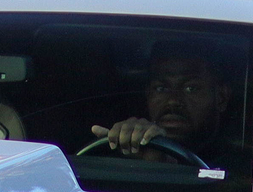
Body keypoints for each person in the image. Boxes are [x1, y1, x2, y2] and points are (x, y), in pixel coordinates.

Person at [93, 44, 239, 166]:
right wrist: (135, 157)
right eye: (161, 88)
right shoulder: (116, 160)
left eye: (191, 88)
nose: (173, 101)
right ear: (148, 94)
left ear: (221, 97)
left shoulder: (251, 168)